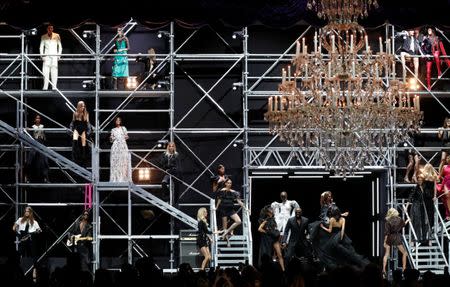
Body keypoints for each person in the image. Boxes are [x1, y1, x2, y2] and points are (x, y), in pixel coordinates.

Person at [319, 205, 369, 270]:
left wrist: (322, 227)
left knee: (335, 252)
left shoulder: (332, 219)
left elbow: (329, 231)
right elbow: (342, 230)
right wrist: (341, 238)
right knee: (349, 251)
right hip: (341, 236)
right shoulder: (343, 219)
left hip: (334, 236)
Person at [216, 178, 249, 244]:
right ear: (225, 183)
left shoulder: (234, 192)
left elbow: (239, 201)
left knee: (238, 221)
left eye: (230, 183)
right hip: (223, 209)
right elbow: (219, 199)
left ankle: (225, 233)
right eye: (228, 183)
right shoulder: (222, 191)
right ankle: (227, 241)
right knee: (224, 227)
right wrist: (216, 207)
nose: (229, 184)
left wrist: (245, 208)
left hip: (230, 209)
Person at [383, 208, 410, 277]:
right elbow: (403, 225)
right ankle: (404, 269)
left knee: (386, 254)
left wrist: (384, 242)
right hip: (396, 237)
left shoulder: (387, 221)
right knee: (404, 253)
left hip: (389, 237)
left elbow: (386, 233)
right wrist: (407, 220)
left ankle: (383, 269)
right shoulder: (399, 219)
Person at [258, 205, 285, 271]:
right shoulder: (265, 220)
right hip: (268, 239)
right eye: (271, 210)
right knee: (268, 255)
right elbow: (259, 229)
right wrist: (267, 232)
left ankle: (283, 270)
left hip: (275, 239)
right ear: (268, 212)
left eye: (272, 210)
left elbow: (274, 229)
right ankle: (267, 270)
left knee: (280, 255)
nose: (272, 210)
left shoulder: (273, 219)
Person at [407, 174, 430, 243]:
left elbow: (428, 195)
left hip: (423, 206)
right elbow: (410, 197)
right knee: (417, 222)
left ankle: (424, 238)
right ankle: (416, 237)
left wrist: (423, 190)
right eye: (419, 180)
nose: (420, 181)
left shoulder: (425, 187)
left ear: (423, 181)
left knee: (424, 222)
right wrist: (406, 206)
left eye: (421, 180)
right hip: (416, 205)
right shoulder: (415, 188)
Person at [26, 114, 49, 182]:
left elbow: (45, 137)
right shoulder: (33, 127)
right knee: (29, 161)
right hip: (34, 143)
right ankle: (27, 177)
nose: (38, 119)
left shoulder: (43, 126)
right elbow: (29, 135)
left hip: (41, 143)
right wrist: (28, 130)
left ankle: (46, 177)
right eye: (36, 118)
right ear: (34, 120)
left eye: (39, 118)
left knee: (45, 161)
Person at [39, 23, 62, 90]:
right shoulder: (43, 36)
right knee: (45, 72)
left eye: (51, 28)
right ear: (47, 29)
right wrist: (42, 56)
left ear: (52, 29)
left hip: (54, 56)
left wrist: (59, 56)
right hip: (46, 56)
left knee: (54, 72)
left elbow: (60, 47)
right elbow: (41, 47)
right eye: (49, 28)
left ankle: (54, 87)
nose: (50, 29)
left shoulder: (57, 35)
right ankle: (45, 87)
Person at [110, 116, 131, 182]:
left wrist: (123, 138)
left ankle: (123, 178)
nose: (118, 121)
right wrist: (111, 138)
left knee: (123, 161)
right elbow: (111, 140)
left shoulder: (123, 128)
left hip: (122, 145)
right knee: (116, 162)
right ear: (115, 121)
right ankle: (116, 178)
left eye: (119, 120)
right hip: (116, 146)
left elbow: (127, 137)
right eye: (117, 120)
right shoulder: (113, 130)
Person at [70, 101, 90, 166]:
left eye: (84, 106)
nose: (83, 107)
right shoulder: (75, 113)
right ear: (79, 106)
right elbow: (72, 123)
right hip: (77, 128)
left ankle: (83, 159)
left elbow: (88, 123)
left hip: (83, 129)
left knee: (83, 144)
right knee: (74, 141)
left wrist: (88, 132)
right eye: (82, 106)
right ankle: (74, 158)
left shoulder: (86, 114)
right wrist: (71, 130)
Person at [421, 163, 438, 230]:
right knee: (430, 211)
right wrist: (435, 195)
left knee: (423, 210)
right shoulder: (434, 177)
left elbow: (421, 187)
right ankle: (430, 225)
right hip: (430, 196)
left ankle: (424, 225)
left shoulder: (423, 176)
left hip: (424, 195)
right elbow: (435, 187)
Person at [438, 154, 450, 220]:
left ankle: (448, 212)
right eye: (447, 158)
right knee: (447, 196)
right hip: (446, 182)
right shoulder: (444, 167)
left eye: (448, 158)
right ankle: (448, 213)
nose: (447, 160)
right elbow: (439, 176)